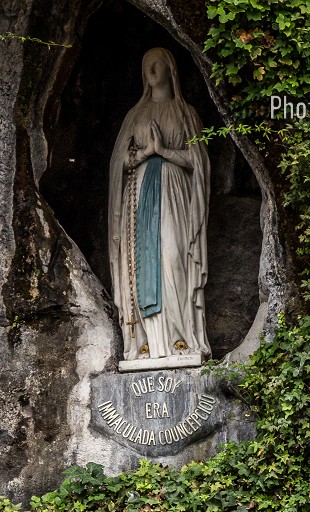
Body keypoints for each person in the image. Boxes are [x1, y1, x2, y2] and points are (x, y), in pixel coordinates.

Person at [108, 46, 210, 363]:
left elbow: (199, 162)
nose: (151, 69)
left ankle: (181, 338)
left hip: (175, 194)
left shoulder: (186, 114)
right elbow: (118, 163)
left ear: (170, 69)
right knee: (139, 264)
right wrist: (142, 155)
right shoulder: (135, 116)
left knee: (173, 256)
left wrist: (163, 151)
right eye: (146, 64)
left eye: (157, 63)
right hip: (138, 197)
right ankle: (146, 344)